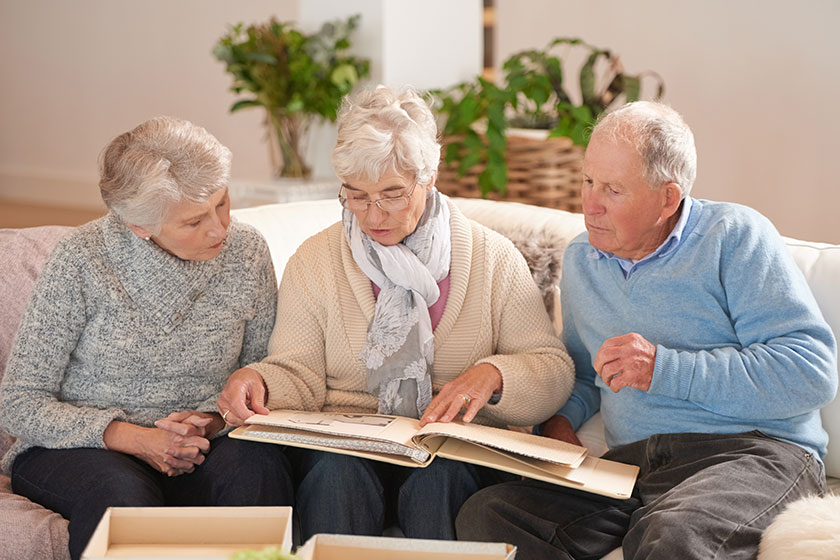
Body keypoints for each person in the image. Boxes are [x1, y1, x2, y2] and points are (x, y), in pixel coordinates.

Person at [456, 101, 838, 559]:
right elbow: (583, 373)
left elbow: (810, 372)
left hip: (753, 454)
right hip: (637, 462)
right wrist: (558, 422)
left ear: (668, 198)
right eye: (588, 181)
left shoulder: (735, 237)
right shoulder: (583, 260)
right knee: (489, 514)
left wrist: (663, 368)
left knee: (673, 534)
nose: (589, 205)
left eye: (613, 190)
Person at [217, 86, 575, 541]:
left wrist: (494, 375)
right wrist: (259, 381)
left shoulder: (492, 259)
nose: (374, 215)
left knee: (441, 480)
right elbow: (297, 372)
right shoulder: (315, 260)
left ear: (429, 179)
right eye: (357, 196)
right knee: (335, 475)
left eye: (392, 194)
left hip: (452, 449)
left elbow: (553, 370)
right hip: (344, 443)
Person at [0, 116, 294, 560]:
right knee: (120, 495)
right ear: (139, 226)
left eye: (223, 203)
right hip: (89, 447)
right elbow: (19, 401)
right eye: (194, 221)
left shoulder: (247, 252)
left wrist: (217, 419)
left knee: (260, 465)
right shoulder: (82, 259)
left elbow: (256, 369)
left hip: (206, 443)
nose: (219, 229)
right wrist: (134, 438)